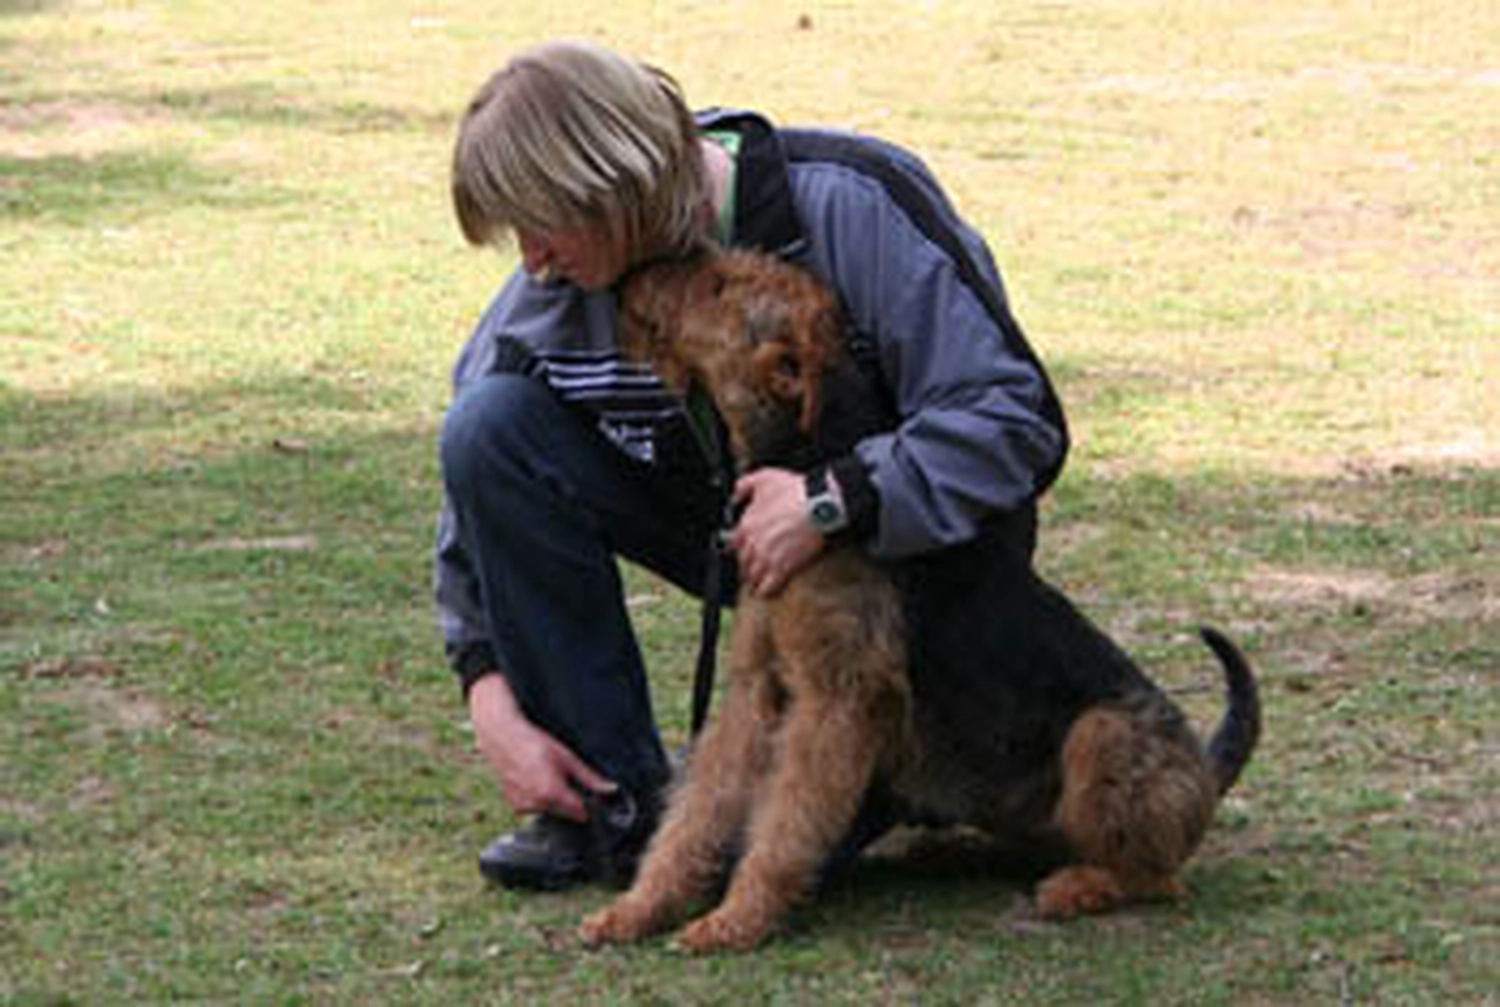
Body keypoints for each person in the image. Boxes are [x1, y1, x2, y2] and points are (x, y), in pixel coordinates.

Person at [436, 39, 1070, 891]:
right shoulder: (558, 290)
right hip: (744, 543)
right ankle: (604, 802)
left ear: (612, 187)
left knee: (739, 861)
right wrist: (488, 690)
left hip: (904, 583)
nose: (531, 262)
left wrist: (832, 498)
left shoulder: (854, 203)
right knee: (489, 425)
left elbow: (1013, 418)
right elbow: (473, 480)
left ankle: (908, 750)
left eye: (540, 227)